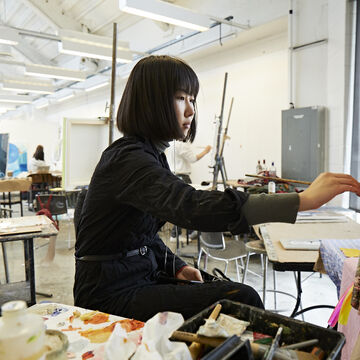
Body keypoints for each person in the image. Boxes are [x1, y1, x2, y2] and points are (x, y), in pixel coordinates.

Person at [74, 55, 360, 322]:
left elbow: (142, 236)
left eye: (192, 99)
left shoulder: (151, 155)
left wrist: (175, 266)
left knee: (230, 292)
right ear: (151, 103)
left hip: (136, 276)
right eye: (180, 98)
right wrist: (301, 201)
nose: (190, 109)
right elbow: (191, 207)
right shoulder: (127, 158)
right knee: (241, 299)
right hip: (109, 291)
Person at [167, 140, 211, 241]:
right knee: (185, 205)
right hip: (182, 177)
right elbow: (193, 159)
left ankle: (186, 232)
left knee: (179, 205)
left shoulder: (171, 144)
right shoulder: (181, 145)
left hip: (174, 175)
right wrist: (206, 151)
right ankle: (176, 235)